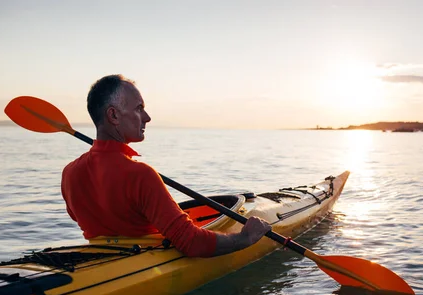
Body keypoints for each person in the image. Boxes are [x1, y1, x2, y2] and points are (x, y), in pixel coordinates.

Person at [61, 74, 271, 257]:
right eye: (139, 109)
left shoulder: (70, 173)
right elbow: (191, 243)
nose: (147, 117)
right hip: (144, 261)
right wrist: (246, 238)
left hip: (99, 261)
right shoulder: (141, 175)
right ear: (113, 115)